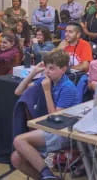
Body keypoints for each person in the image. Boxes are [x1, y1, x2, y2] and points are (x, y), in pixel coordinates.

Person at [11, 50, 79, 180]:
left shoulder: (67, 87)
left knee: (19, 140)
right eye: (46, 67)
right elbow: (18, 91)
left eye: (52, 68)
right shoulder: (48, 80)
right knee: (16, 158)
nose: (47, 71)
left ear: (63, 69)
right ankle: (47, 177)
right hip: (51, 129)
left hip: (64, 132)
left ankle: (48, 175)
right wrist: (34, 72)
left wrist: (47, 91)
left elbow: (55, 118)